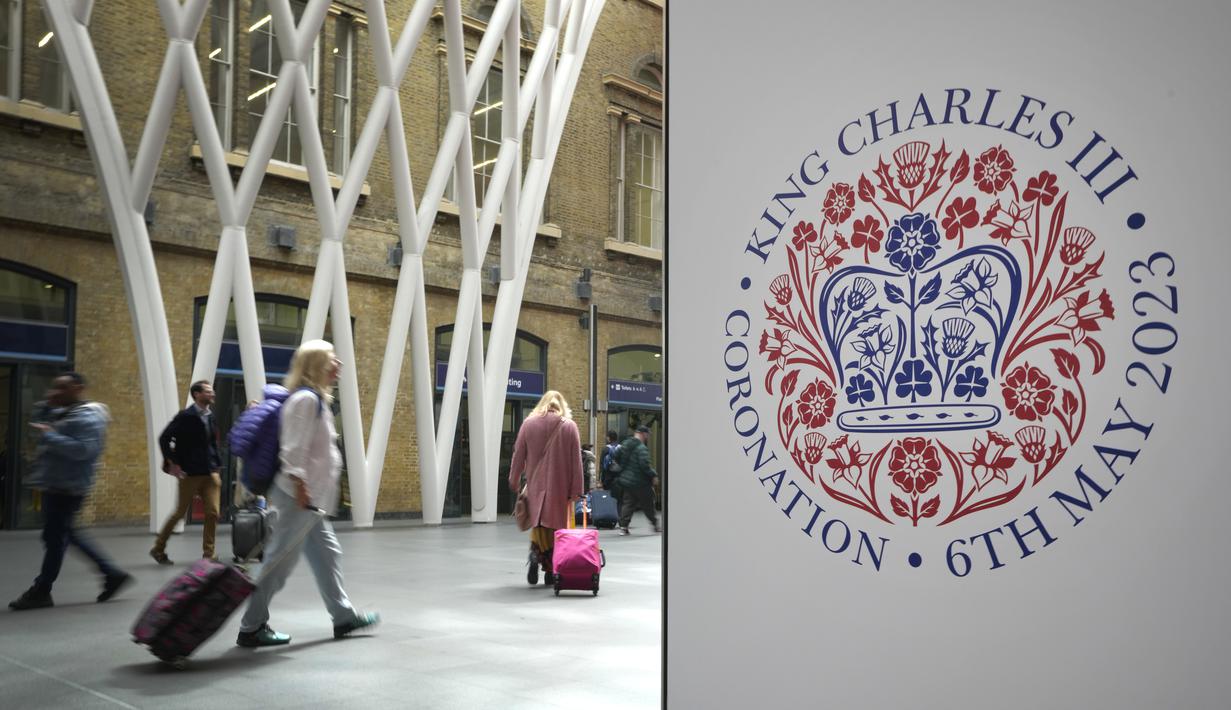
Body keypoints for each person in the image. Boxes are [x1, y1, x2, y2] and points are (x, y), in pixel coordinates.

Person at [236, 340, 379, 647]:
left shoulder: (315, 400)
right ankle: (251, 627)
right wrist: (301, 487)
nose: (338, 364)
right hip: (299, 497)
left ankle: (343, 617)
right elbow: (293, 451)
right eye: (332, 360)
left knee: (328, 555)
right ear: (316, 365)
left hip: (311, 501)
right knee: (279, 563)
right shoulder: (305, 400)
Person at [8, 373, 133, 610]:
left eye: (61, 387)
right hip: (55, 483)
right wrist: (47, 405)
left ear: (78, 388)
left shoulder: (89, 418)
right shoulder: (64, 411)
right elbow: (39, 425)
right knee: (63, 535)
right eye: (54, 387)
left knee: (56, 539)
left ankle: (42, 590)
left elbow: (84, 450)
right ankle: (111, 574)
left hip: (69, 487)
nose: (56, 391)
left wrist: (51, 436)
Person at [508, 390, 582, 586]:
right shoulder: (570, 427)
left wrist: (514, 480)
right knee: (555, 528)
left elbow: (518, 455)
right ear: (561, 407)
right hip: (560, 489)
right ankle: (550, 570)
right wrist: (576, 491)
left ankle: (534, 554)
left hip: (535, 486)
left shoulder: (528, 424)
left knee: (539, 523)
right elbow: (576, 462)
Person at [150, 380, 222, 564]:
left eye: (212, 390)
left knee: (213, 513)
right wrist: (172, 461)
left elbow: (212, 442)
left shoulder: (210, 416)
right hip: (190, 473)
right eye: (208, 391)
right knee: (180, 513)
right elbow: (164, 438)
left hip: (211, 472)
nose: (212, 393)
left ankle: (209, 554)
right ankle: (158, 548)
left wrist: (217, 462)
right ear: (197, 394)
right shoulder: (185, 416)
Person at [616, 425, 661, 535]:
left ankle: (623, 527)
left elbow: (617, 456)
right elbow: (644, 465)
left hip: (626, 480)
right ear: (643, 434)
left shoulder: (625, 444)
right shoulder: (641, 448)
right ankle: (655, 525)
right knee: (648, 503)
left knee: (628, 503)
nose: (647, 437)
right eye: (647, 434)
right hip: (640, 482)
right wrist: (653, 475)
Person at [600, 429, 623, 501]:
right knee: (619, 500)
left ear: (609, 438)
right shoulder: (622, 448)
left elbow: (602, 466)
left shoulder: (605, 449)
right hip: (620, 479)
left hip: (608, 479)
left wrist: (601, 480)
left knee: (608, 499)